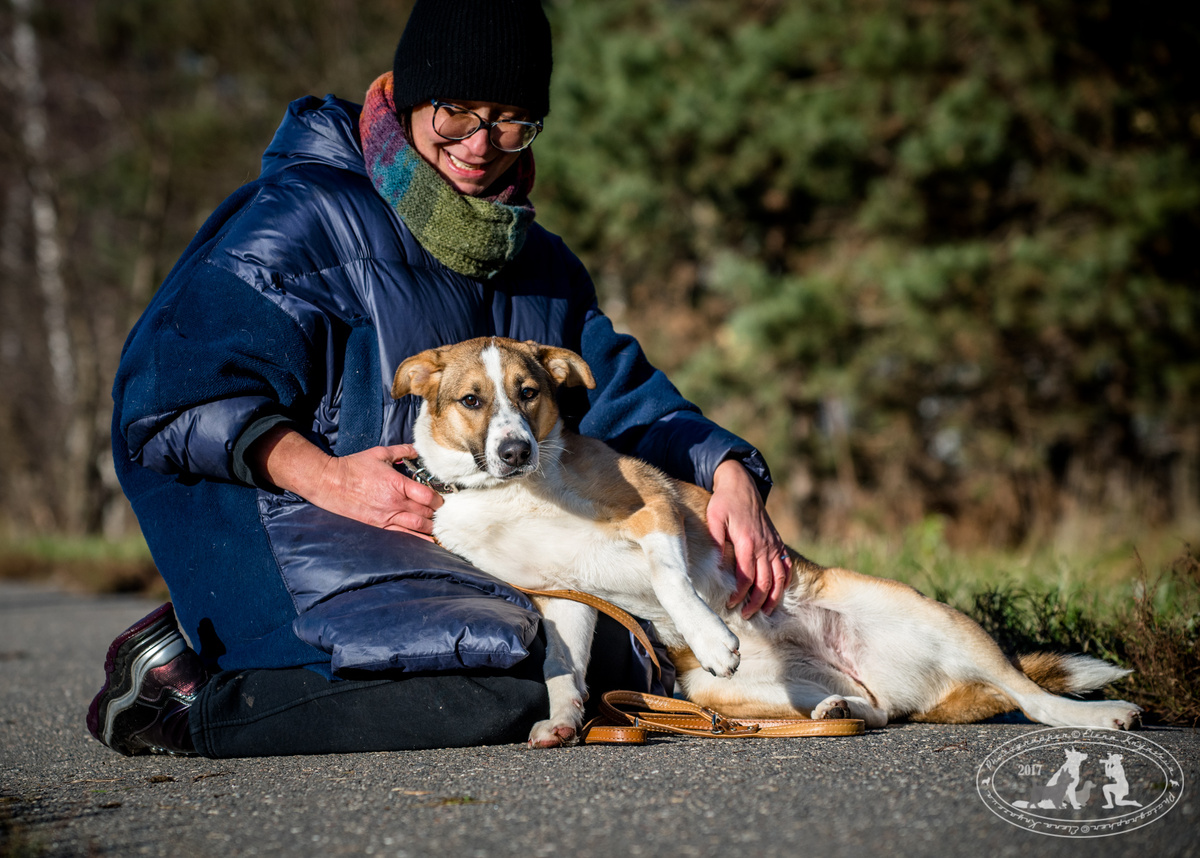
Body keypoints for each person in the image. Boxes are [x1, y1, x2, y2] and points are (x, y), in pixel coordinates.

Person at [88, 0, 792, 758]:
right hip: (294, 531)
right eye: (458, 112)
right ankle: (181, 698)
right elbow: (165, 399)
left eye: (513, 120)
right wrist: (323, 476)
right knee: (498, 688)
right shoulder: (298, 219)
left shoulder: (539, 260)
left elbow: (622, 390)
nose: (481, 145)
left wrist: (728, 471)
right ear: (411, 94)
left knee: (614, 656)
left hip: (456, 545)